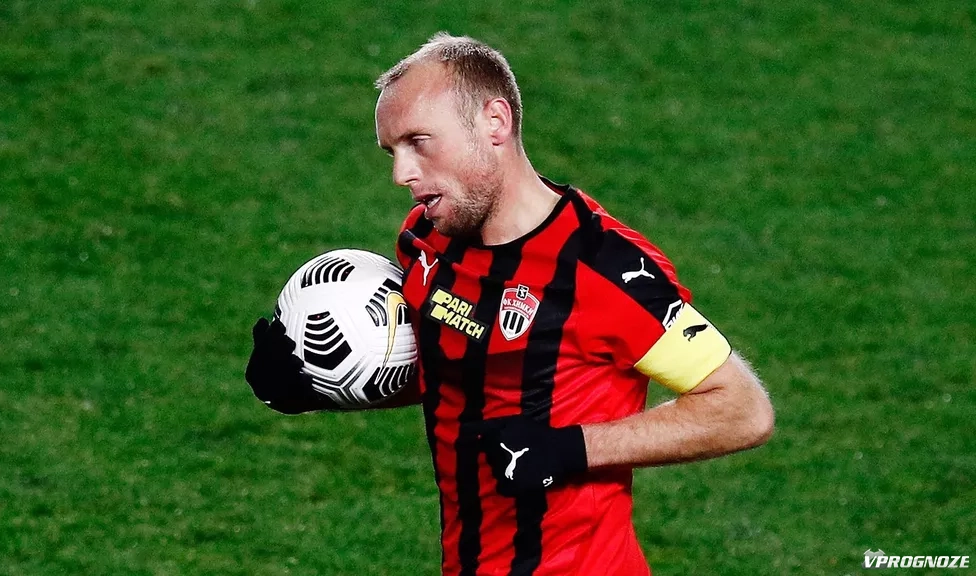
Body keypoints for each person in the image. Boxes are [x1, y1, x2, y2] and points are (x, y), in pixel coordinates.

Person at [245, 32, 774, 576]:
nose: (401, 174)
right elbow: (460, 375)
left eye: (419, 142)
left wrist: (568, 449)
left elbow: (740, 408)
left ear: (494, 123)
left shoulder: (603, 269)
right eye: (392, 152)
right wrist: (316, 382)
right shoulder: (429, 240)